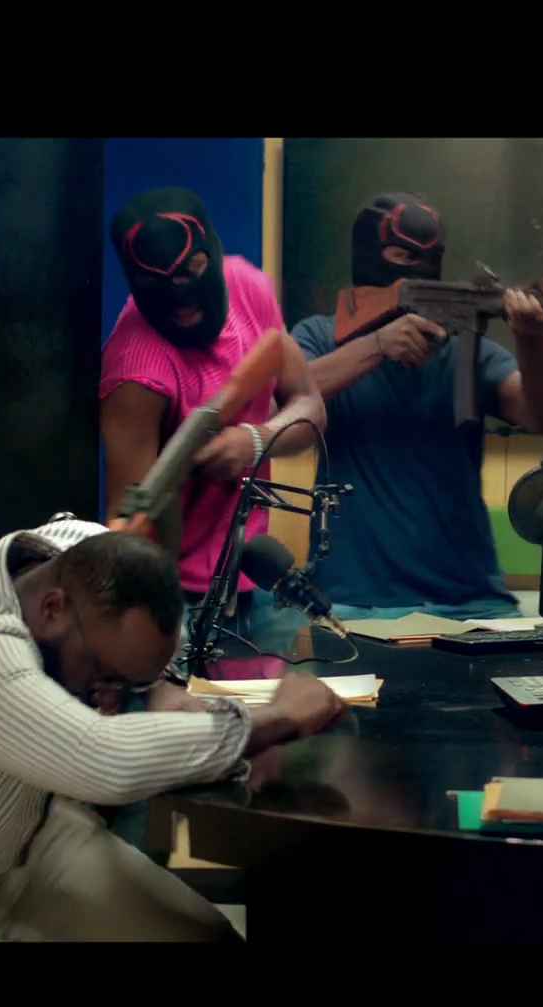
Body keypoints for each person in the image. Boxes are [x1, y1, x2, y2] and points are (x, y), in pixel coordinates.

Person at [0, 517, 350, 941]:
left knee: (207, 937)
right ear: (51, 610)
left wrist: (157, 688)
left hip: (20, 846)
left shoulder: (76, 556)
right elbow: (102, 759)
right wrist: (270, 718)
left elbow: (155, 656)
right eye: (104, 673)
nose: (110, 694)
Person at [288, 192, 543, 620]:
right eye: (403, 256)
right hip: (354, 600)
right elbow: (290, 399)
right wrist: (377, 346)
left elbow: (542, 416)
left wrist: (533, 341)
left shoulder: (467, 351)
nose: (418, 269)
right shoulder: (320, 337)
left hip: (471, 600)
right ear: (368, 254)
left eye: (430, 259)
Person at [100, 187, 327, 666]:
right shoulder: (134, 373)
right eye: (156, 281)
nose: (179, 295)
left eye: (190, 271)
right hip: (175, 601)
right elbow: (130, 536)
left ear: (211, 256)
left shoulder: (248, 287)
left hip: (257, 583)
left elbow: (310, 407)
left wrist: (254, 441)